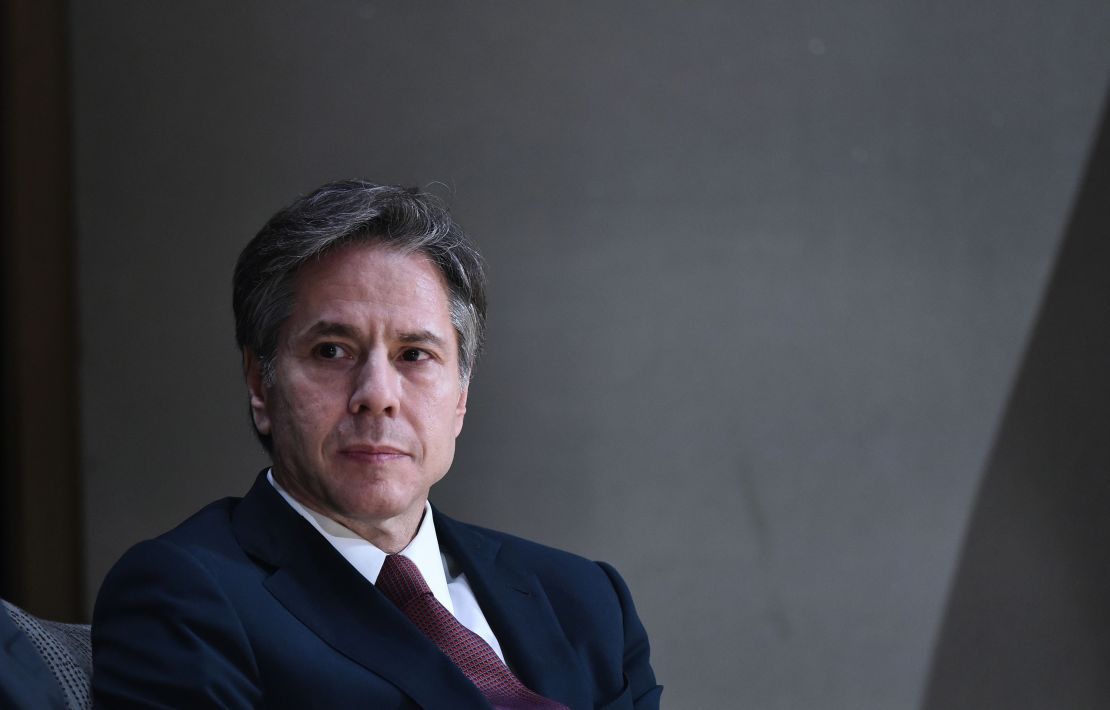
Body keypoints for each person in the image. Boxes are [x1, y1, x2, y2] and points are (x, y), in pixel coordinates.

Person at [92, 180, 662, 709]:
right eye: (332, 351)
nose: (376, 396)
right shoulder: (181, 597)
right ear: (260, 384)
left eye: (415, 355)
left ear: (461, 396)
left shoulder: (586, 600)